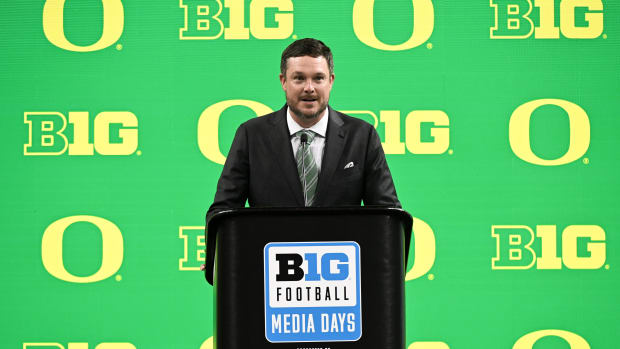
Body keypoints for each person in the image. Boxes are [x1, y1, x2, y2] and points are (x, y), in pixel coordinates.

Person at [206, 38, 400, 225]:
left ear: (330, 81)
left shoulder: (362, 136)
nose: (309, 88)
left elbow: (387, 214)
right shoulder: (251, 135)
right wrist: (218, 257)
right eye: (299, 78)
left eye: (318, 78)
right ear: (283, 81)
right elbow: (223, 212)